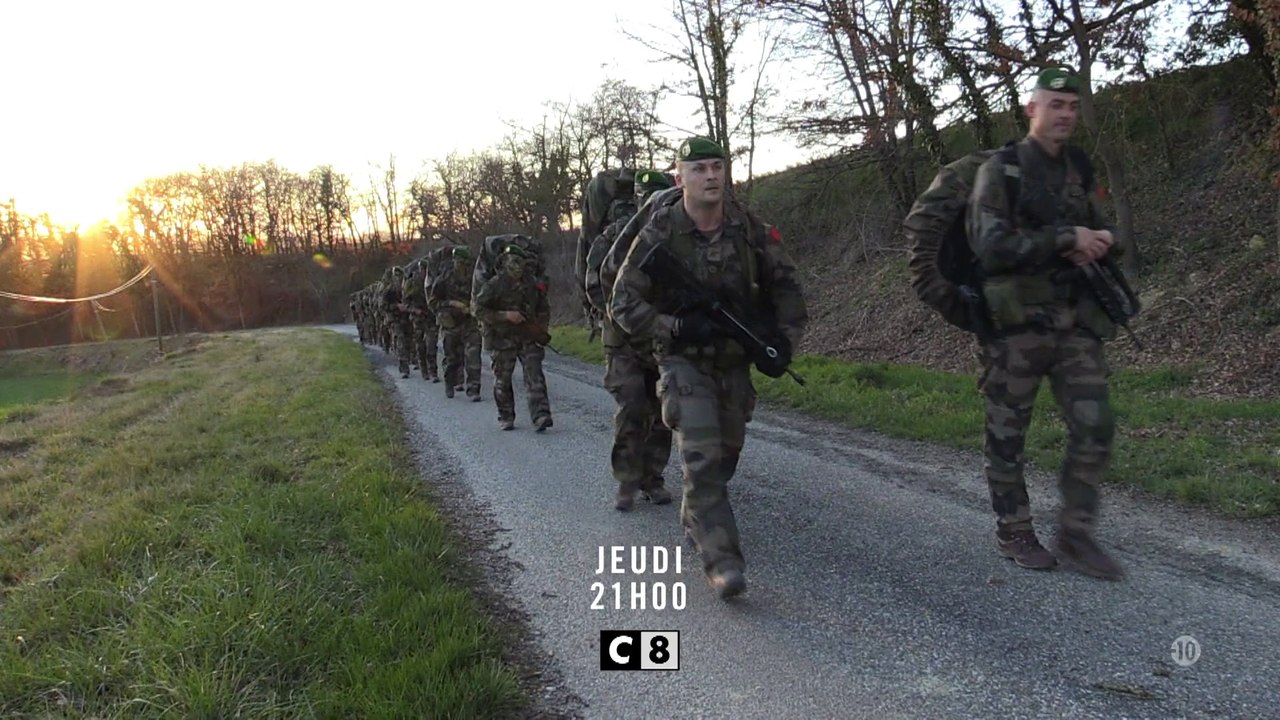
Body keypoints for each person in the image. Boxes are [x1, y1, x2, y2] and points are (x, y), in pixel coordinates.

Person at [610, 137, 808, 599]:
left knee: (724, 458)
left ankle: (696, 514)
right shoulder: (659, 231)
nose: (711, 176)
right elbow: (623, 302)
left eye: (717, 166)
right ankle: (723, 562)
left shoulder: (749, 228)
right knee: (700, 459)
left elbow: (788, 289)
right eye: (699, 169)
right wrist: (675, 326)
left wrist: (779, 343)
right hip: (683, 363)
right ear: (679, 178)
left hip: (734, 365)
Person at [967, 67, 1126, 580]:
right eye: (1055, 104)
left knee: (1095, 423)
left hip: (1074, 324)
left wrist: (1102, 241)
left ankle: (1076, 533)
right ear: (1032, 108)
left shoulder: (1078, 167)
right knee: (1007, 434)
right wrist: (1065, 239)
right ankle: (1014, 530)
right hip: (1017, 329)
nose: (1065, 114)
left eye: (1073, 106)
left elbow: (1103, 229)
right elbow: (989, 249)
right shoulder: (1003, 171)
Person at [585, 169, 677, 511]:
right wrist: (621, 313)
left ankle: (653, 477)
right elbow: (594, 286)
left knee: (662, 410)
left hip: (658, 338)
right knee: (633, 407)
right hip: (622, 340)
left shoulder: (673, 237)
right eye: (643, 196)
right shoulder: (610, 239)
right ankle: (626, 480)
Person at [474, 246, 554, 432]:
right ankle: (506, 415)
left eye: (520, 263)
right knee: (502, 379)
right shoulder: (494, 285)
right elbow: (478, 309)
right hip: (502, 338)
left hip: (527, 336)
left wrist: (540, 328)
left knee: (534, 374)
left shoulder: (531, 284)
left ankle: (541, 414)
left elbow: (543, 307)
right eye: (513, 263)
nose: (517, 268)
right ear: (506, 263)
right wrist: (505, 315)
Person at [430, 246, 483, 401]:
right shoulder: (444, 279)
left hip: (469, 323)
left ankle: (473, 389)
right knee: (452, 358)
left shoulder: (473, 278)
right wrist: (452, 303)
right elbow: (433, 303)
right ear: (454, 261)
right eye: (459, 262)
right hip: (450, 324)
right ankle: (449, 382)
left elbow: (481, 296)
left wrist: (474, 307)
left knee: (473, 356)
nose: (462, 265)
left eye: (464, 263)